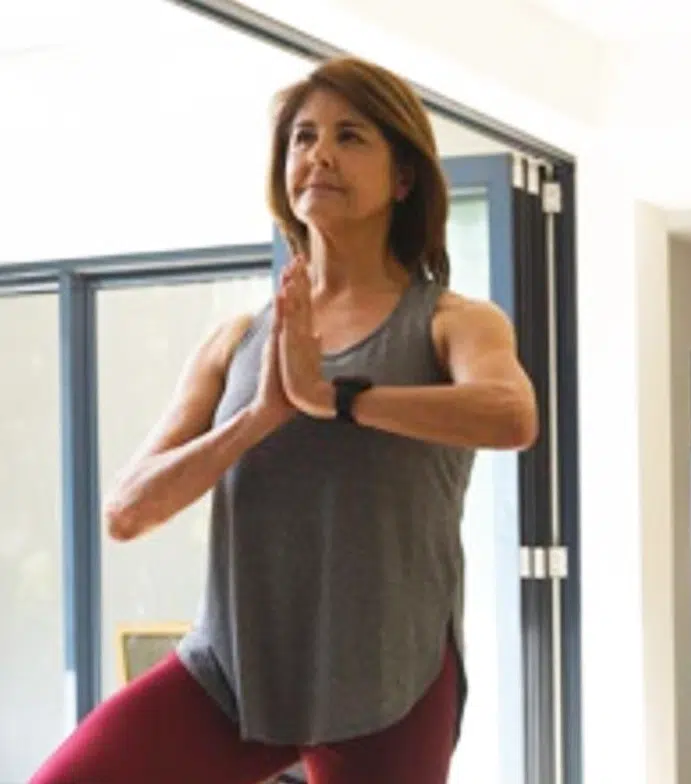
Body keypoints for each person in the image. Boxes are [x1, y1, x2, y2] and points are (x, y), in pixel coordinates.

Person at [31, 56, 537, 784]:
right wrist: (260, 416)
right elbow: (127, 510)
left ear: (402, 179)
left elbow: (511, 415)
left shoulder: (454, 322)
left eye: (351, 136)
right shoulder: (238, 340)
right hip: (231, 671)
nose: (319, 154)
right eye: (303, 137)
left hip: (388, 676)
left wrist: (337, 398)